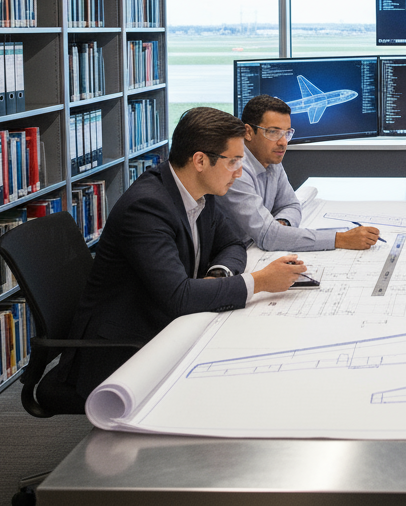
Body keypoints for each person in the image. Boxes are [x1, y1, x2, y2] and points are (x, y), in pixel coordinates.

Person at [60, 106, 307, 398]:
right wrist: (260, 281)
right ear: (200, 160)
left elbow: (232, 244)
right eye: (233, 162)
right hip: (126, 350)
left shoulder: (201, 190)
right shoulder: (147, 208)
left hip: (171, 325)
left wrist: (217, 275)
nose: (240, 173)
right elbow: (178, 298)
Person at [220, 95, 381, 251]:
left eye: (286, 133)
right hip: (233, 256)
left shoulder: (270, 158)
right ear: (248, 132)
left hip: (253, 250)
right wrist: (340, 239)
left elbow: (290, 205)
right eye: (273, 132)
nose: (283, 142)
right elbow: (268, 236)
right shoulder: (235, 168)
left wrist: (282, 225)